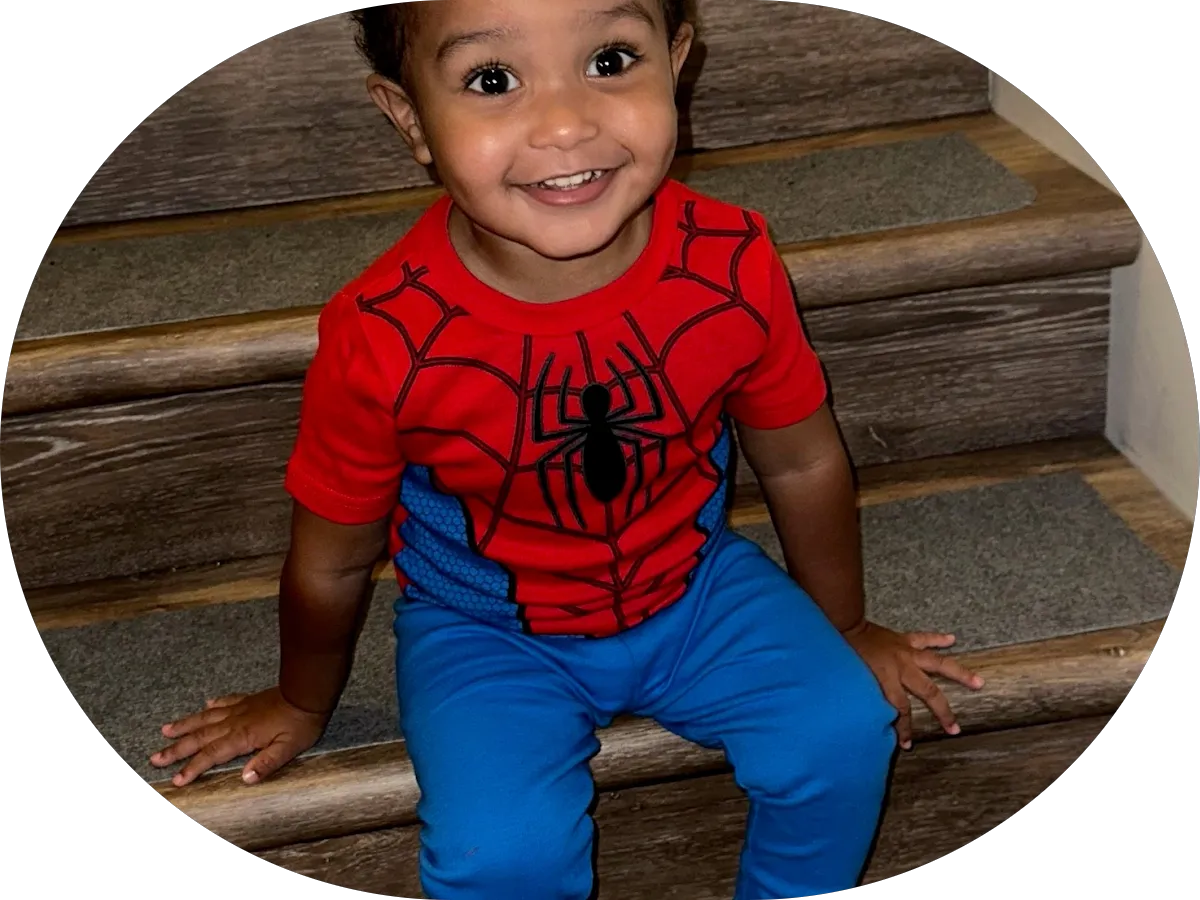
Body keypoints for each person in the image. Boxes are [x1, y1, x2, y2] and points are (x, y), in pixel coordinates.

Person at [151, 2, 984, 897]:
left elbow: (802, 460)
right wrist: (302, 698)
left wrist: (844, 627)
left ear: (677, 63)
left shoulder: (731, 261)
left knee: (844, 731)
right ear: (410, 119)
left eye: (611, 60)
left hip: (695, 585)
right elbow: (332, 560)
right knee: (500, 852)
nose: (564, 123)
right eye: (492, 80)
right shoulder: (383, 334)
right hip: (484, 630)